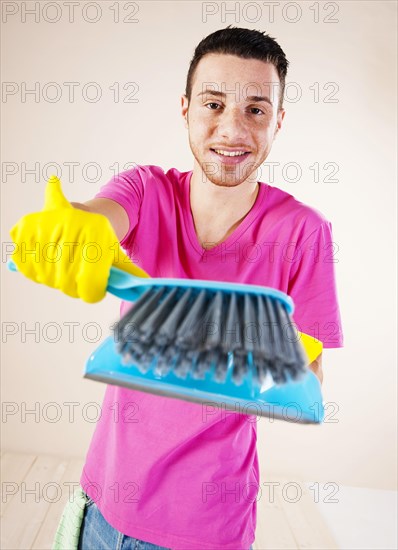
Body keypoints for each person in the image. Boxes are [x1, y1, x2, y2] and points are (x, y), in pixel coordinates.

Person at [11, 26, 343, 550]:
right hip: (103, 502)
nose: (232, 129)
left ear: (278, 121)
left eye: (256, 109)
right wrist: (78, 229)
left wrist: (270, 357)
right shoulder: (146, 190)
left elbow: (308, 381)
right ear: (185, 108)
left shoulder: (303, 232)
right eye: (214, 103)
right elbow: (100, 217)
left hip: (204, 527)